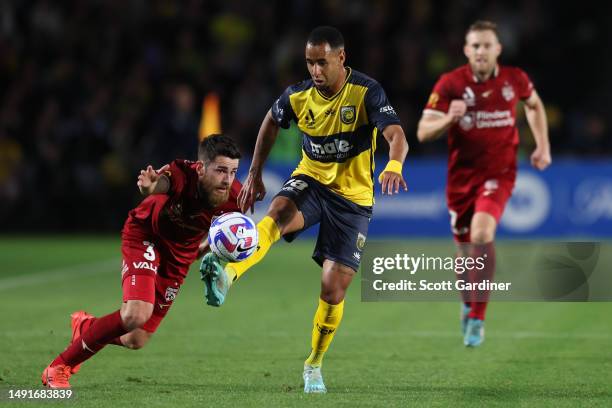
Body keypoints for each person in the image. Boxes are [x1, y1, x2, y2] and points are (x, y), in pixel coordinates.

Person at [200, 26, 409, 393]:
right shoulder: (298, 96)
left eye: (321, 62)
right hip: (311, 179)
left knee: (333, 290)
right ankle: (227, 275)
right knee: (276, 215)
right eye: (309, 63)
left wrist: (394, 164)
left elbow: (395, 134)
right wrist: (255, 172)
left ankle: (313, 363)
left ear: (341, 58)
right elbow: (270, 122)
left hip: (353, 199)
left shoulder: (366, 92)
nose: (315, 71)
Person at [42, 134, 242, 388]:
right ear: (201, 168)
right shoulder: (182, 172)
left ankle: (87, 327)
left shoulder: (234, 197)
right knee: (137, 313)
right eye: (221, 170)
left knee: (135, 339)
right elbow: (162, 184)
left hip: (179, 256)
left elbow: (225, 235)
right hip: (147, 236)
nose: (227, 180)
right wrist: (150, 188)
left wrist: (205, 250)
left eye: (233, 172)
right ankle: (59, 367)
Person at [416, 20, 551, 347]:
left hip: (499, 174)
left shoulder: (514, 79)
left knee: (482, 233)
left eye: (486, 45)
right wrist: (450, 118)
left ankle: (478, 316)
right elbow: (422, 132)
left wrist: (543, 145)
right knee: (463, 255)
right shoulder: (450, 84)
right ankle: (467, 303)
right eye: (474, 45)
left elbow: (533, 105)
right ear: (466, 50)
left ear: (498, 49)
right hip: (461, 180)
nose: (480, 51)